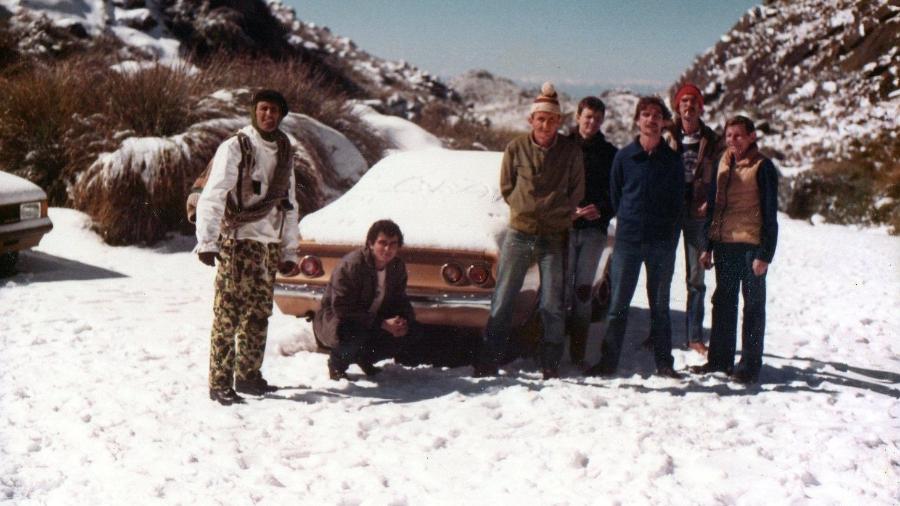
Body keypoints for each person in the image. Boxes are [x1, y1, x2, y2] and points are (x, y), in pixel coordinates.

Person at [195, 89, 300, 405]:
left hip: (267, 246)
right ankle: (220, 382)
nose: (268, 115)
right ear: (254, 111)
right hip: (239, 242)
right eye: (263, 109)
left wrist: (289, 251)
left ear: (281, 115)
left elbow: (290, 205)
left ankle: (249, 376)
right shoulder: (237, 146)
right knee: (228, 315)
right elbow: (214, 194)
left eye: (274, 110)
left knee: (258, 315)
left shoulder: (284, 151)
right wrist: (207, 241)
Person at [474, 82, 585, 380]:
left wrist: (554, 210)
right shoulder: (516, 148)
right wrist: (526, 209)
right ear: (531, 120)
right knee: (504, 297)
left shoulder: (570, 152)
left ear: (559, 122)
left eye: (551, 119)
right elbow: (507, 187)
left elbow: (576, 192)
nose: (545, 124)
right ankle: (490, 356)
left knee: (551, 301)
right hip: (520, 233)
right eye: (540, 119)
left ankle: (551, 361)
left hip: (553, 236)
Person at [584, 96, 684, 379]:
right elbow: (616, 196)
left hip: (661, 244)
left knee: (660, 307)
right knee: (617, 305)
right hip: (628, 242)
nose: (650, 120)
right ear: (638, 120)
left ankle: (664, 363)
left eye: (656, 115)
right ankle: (608, 362)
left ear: (663, 122)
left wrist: (668, 238)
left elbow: (678, 203)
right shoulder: (624, 157)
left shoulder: (673, 161)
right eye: (645, 114)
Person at [692, 115, 778, 384]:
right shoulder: (724, 163)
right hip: (725, 244)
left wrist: (765, 254)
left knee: (752, 306)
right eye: (729, 136)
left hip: (751, 245)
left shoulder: (763, 167)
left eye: (739, 135)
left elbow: (770, 213)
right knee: (724, 302)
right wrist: (707, 245)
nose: (733, 141)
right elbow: (714, 206)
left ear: (752, 136)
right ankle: (719, 359)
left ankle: (749, 365)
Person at [314, 219, 418, 380]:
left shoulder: (397, 266)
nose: (387, 249)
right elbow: (342, 309)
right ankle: (337, 364)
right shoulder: (351, 265)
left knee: (410, 332)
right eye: (382, 243)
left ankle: (364, 358)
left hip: (372, 318)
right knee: (353, 333)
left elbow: (400, 299)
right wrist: (382, 323)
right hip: (338, 321)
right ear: (370, 243)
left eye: (393, 244)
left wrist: (404, 321)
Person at [663, 83, 723, 355]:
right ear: (678, 106)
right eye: (684, 101)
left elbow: (723, 175)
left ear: (701, 107)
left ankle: (695, 336)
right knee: (661, 275)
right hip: (669, 212)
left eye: (693, 101)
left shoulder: (711, 141)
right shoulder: (667, 136)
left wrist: (711, 201)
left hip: (697, 215)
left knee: (696, 279)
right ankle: (659, 334)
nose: (688, 105)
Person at [565, 96, 617, 366]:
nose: (592, 123)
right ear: (577, 116)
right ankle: (550, 352)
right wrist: (567, 210)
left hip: (594, 231)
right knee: (560, 290)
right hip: (564, 228)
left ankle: (577, 351)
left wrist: (602, 209)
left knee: (583, 291)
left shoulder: (609, 153)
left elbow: (617, 193)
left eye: (597, 119)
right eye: (587, 117)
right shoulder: (562, 146)